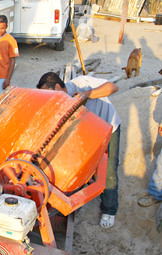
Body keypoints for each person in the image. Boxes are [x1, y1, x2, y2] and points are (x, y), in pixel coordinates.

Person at [36, 72, 120, 228]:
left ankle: (109, 210)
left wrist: (86, 94)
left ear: (57, 87)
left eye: (50, 94)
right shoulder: (59, 103)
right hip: (87, 134)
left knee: (109, 172)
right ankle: (75, 205)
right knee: (79, 170)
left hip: (109, 128)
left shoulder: (82, 83)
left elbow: (113, 87)